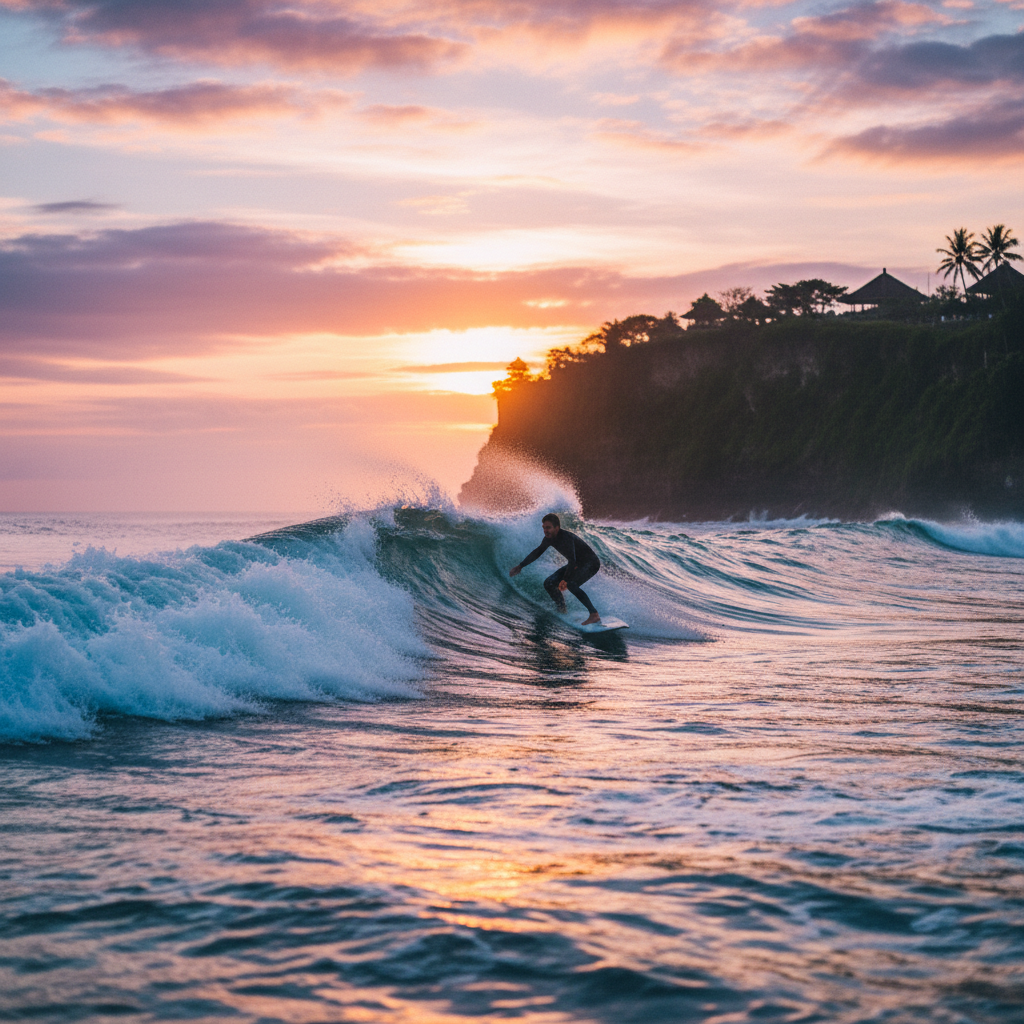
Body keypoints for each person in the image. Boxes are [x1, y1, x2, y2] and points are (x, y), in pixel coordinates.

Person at [509, 513, 601, 624]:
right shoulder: (549, 539)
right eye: (544, 528)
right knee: (549, 583)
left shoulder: (566, 538)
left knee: (571, 584)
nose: (545, 531)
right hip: (578, 563)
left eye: (548, 527)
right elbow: (538, 552)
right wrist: (521, 566)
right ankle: (562, 609)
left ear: (557, 528)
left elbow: (572, 560)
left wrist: (565, 579)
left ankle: (594, 614)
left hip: (591, 563)